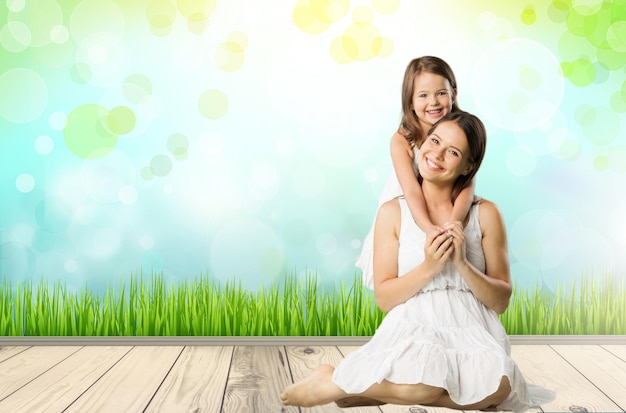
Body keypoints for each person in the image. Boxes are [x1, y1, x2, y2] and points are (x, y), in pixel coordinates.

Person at [280, 111, 555, 411]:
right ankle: (344, 383)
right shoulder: (392, 212)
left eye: (452, 152)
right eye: (434, 141)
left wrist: (462, 264)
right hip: (415, 323)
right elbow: (385, 299)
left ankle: (342, 384)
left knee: (500, 387)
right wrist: (429, 268)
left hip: (473, 329)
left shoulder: (485, 213)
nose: (436, 154)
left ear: (468, 166)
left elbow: (501, 301)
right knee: (425, 381)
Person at [358, 56, 476, 290]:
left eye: (441, 93)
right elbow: (411, 190)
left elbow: (467, 185)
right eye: (423, 95)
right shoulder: (402, 139)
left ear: (454, 93)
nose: (433, 102)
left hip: (445, 203)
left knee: (447, 272)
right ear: (410, 102)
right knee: (406, 267)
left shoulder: (462, 131)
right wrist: (429, 228)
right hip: (410, 206)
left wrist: (454, 223)